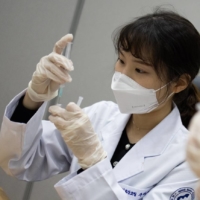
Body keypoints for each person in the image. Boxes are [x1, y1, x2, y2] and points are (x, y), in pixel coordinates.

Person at [0, 9, 200, 200]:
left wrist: (92, 161)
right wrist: (34, 97)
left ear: (179, 83)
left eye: (140, 70)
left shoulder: (187, 160)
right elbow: (20, 162)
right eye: (121, 61)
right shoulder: (101, 115)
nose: (122, 75)